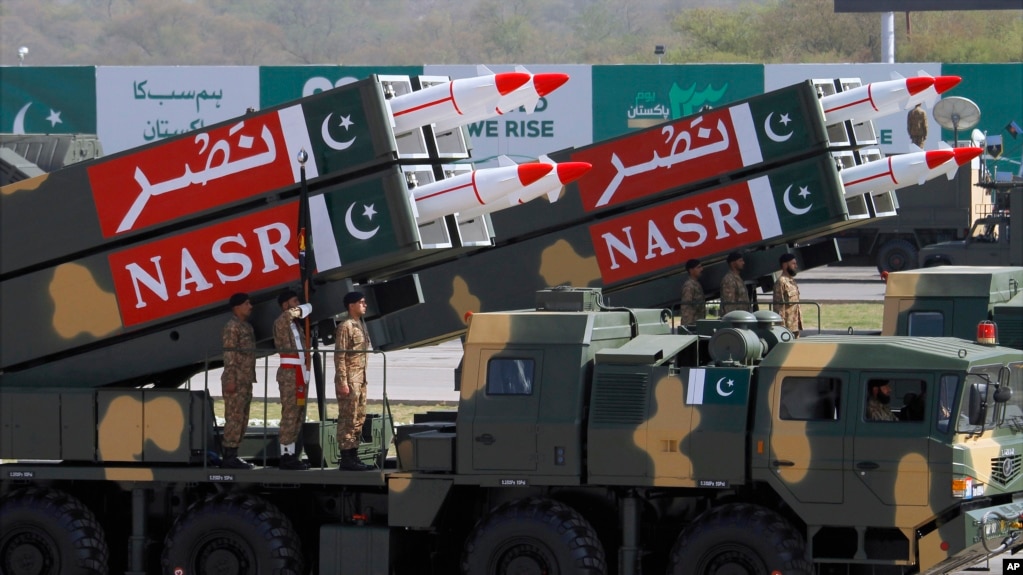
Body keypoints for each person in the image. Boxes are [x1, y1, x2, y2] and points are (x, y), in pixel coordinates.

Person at [335, 291, 374, 471]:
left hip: (361, 379)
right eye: (361, 302)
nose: (364, 305)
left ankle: (354, 455)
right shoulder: (346, 326)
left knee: (359, 417)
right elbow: (340, 355)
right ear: (351, 305)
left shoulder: (360, 324)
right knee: (348, 418)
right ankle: (346, 457)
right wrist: (342, 381)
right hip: (350, 379)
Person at [273, 289, 310, 470]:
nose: (297, 305)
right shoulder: (282, 321)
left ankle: (293, 453)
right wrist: (305, 308)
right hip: (289, 374)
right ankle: (286, 454)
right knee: (290, 413)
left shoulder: (296, 325)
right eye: (294, 301)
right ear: (286, 305)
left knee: (298, 413)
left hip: (299, 373)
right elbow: (288, 315)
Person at [220, 292, 256, 470]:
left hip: (245, 380)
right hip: (235, 379)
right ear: (237, 307)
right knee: (234, 418)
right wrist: (231, 379)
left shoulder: (246, 327)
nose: (250, 307)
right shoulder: (232, 327)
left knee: (242, 418)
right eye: (246, 304)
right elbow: (230, 355)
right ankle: (229, 456)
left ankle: (234, 454)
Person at [772, 253, 803, 337]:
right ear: (785, 265)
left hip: (795, 326)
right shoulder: (781, 282)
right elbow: (778, 307)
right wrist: (781, 329)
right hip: (787, 327)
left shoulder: (791, 281)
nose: (796, 266)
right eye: (793, 263)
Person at [679, 259, 706, 327]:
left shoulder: (696, 284)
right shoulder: (689, 286)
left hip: (698, 323)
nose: (702, 269)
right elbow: (686, 308)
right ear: (691, 270)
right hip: (692, 325)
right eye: (698, 267)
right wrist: (688, 327)